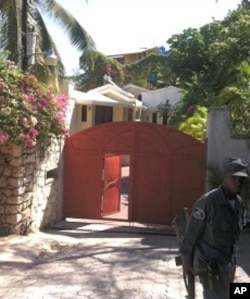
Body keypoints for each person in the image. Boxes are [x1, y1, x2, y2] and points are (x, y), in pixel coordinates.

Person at [180, 157, 249, 299]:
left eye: (241, 179)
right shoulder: (208, 202)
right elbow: (191, 233)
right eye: (234, 178)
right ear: (224, 177)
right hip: (209, 264)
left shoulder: (238, 202)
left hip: (228, 263)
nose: (238, 182)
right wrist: (186, 260)